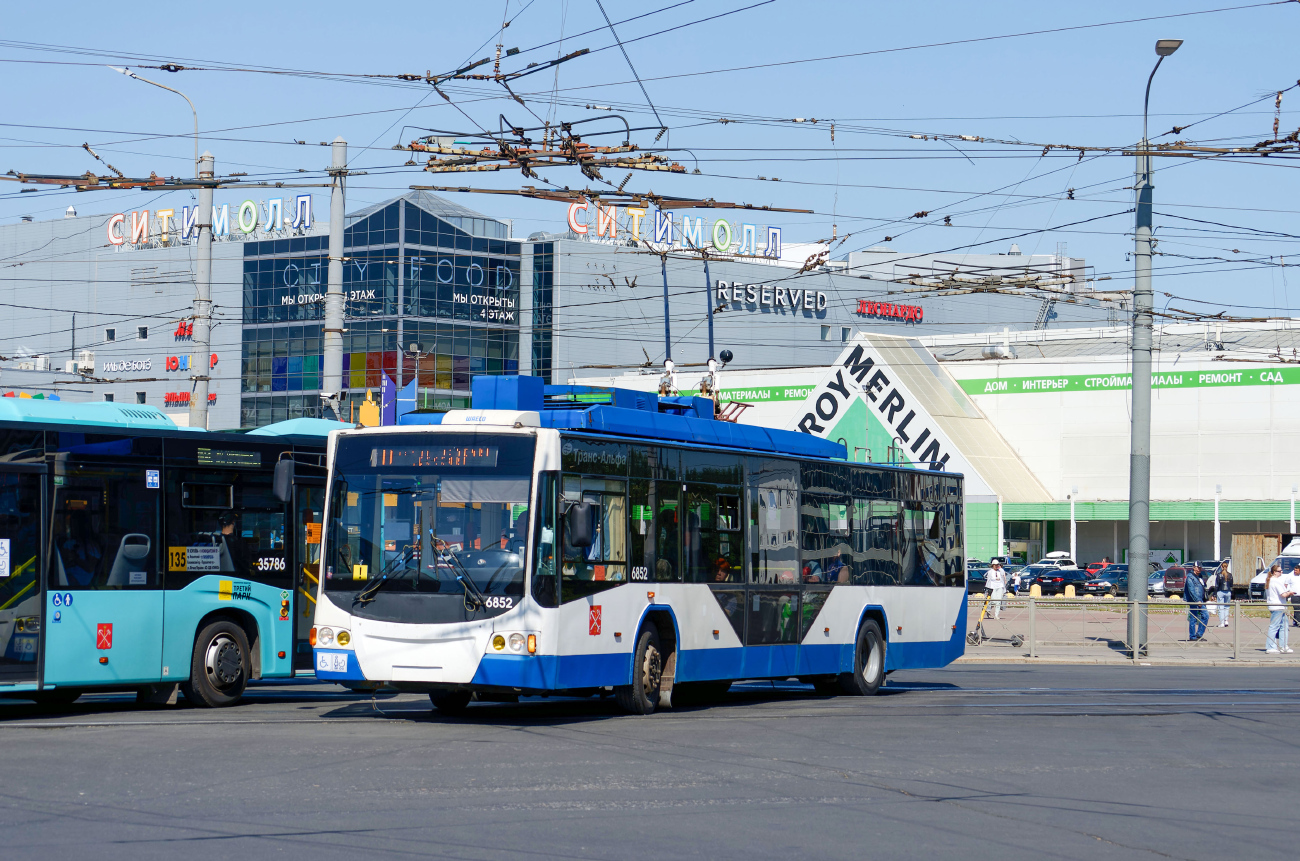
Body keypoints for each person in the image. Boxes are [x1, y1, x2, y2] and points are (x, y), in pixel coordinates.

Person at [1264, 563, 1295, 654]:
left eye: (1281, 571)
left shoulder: (1270, 580)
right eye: (1279, 571)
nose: (1281, 572)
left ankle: (1283, 646)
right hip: (1278, 606)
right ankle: (1271, 647)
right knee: (1274, 627)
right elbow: (1283, 594)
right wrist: (1290, 593)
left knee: (1284, 626)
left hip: (1276, 606)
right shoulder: (1276, 581)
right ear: (1274, 572)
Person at [1183, 563, 1208, 641]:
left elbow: (1203, 587)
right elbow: (1191, 590)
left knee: (1206, 616)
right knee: (1193, 618)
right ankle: (1192, 636)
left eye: (1200, 568)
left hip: (1201, 600)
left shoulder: (1199, 576)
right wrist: (1197, 600)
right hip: (1194, 601)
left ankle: (1199, 634)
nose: (1199, 569)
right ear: (1194, 568)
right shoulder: (1190, 577)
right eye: (1198, 567)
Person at [1211, 561, 1232, 628]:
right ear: (1227, 567)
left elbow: (1216, 585)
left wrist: (1214, 594)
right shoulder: (1230, 575)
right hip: (1228, 592)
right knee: (1227, 607)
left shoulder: (1219, 575)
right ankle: (1226, 621)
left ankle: (1222, 623)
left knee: (1220, 607)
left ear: (1221, 567)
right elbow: (1231, 585)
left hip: (1220, 592)